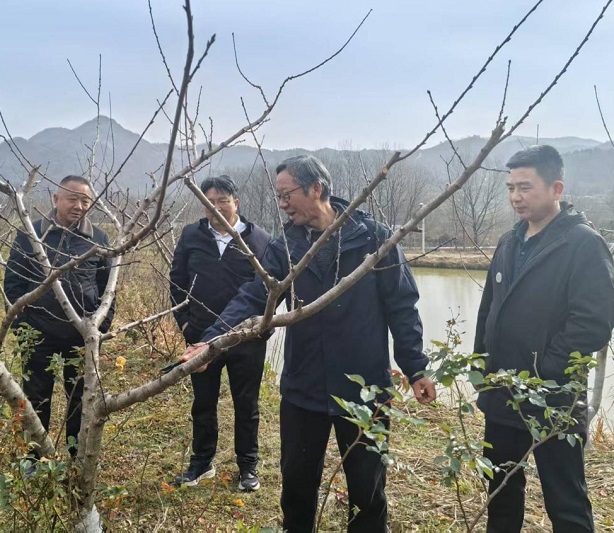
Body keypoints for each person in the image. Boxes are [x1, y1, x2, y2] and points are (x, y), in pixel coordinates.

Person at [181, 155, 435, 532]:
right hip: (304, 387)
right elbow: (253, 296)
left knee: (368, 492)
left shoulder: (374, 238)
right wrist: (211, 342)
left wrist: (415, 368)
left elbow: (402, 306)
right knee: (297, 488)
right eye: (279, 197)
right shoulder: (286, 246)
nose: (283, 204)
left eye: (288, 195)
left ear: (317, 189)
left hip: (364, 389)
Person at [474, 145, 614, 532]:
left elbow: (593, 323)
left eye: (525, 187)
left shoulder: (583, 244)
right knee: (500, 494)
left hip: (555, 399)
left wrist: (545, 371)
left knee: (566, 501)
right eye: (511, 188)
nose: (515, 197)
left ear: (556, 189)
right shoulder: (509, 242)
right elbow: (488, 312)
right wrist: (481, 368)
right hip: (502, 393)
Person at [169, 175, 272, 491]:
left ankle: (248, 467)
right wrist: (185, 324)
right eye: (208, 201)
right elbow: (176, 282)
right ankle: (202, 463)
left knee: (247, 404)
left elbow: (270, 290)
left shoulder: (259, 240)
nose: (215, 207)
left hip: (246, 339)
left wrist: (262, 329)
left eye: (222, 201)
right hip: (201, 338)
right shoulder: (191, 235)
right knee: (203, 402)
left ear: (235, 203)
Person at [4, 175, 114, 458]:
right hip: (38, 334)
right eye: (72, 199)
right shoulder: (31, 235)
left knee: (80, 399)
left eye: (85, 201)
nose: (79, 206)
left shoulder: (99, 239)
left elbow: (108, 289)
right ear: (56, 199)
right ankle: (35, 458)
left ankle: (76, 457)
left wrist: (100, 327)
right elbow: (13, 286)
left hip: (81, 336)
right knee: (36, 398)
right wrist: (22, 328)